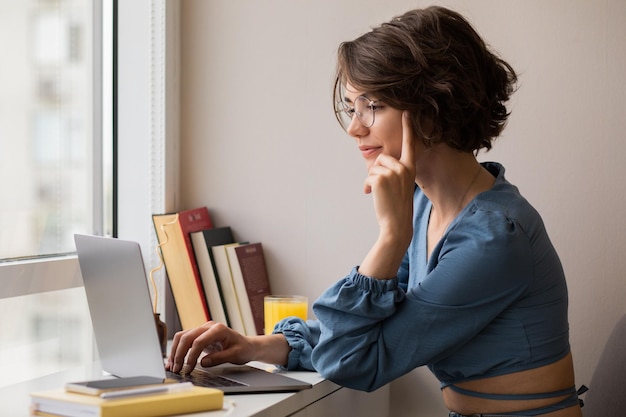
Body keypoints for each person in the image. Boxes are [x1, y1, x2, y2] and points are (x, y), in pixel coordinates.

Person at [167, 6, 584, 416]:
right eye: (352, 107)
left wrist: (390, 235)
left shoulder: (494, 239)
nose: (354, 128)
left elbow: (355, 358)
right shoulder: (424, 207)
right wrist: (257, 345)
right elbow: (371, 326)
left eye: (373, 106)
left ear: (433, 108)